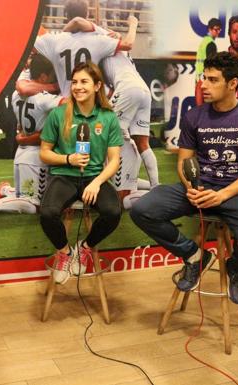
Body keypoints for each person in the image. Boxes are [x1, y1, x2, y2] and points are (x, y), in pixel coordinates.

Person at [130, 52, 238, 305]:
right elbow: (184, 162)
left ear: (233, 84)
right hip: (199, 187)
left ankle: (236, 267)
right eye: (203, 78)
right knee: (142, 208)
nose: (203, 85)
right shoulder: (194, 116)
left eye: (212, 80)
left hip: (236, 193)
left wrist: (222, 194)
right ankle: (195, 256)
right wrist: (192, 188)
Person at [39, 61, 123, 284]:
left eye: (84, 81)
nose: (77, 87)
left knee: (113, 212)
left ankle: (84, 248)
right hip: (64, 176)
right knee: (47, 213)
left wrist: (97, 182)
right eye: (74, 82)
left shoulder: (108, 117)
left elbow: (114, 160)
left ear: (97, 86)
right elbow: (45, 154)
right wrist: (69, 159)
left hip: (94, 177)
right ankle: (65, 253)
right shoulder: (59, 114)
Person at [62, 15, 157, 208]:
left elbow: (79, 21)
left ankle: (100, 183)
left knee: (106, 133)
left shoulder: (100, 36)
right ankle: (155, 187)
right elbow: (109, 89)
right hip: (142, 89)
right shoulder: (105, 49)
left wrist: (61, 36)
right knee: (142, 142)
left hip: (128, 87)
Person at [0, 55, 63, 216]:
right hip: (35, 158)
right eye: (51, 76)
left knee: (28, 195)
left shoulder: (15, 95)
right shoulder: (45, 99)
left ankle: (5, 190)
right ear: (42, 76)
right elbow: (69, 103)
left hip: (22, 153)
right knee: (33, 203)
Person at [30, 0, 135, 98]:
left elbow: (28, 45)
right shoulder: (98, 40)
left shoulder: (53, 40)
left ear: (66, 16)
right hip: (89, 104)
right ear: (87, 15)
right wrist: (133, 24)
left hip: (66, 103)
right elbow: (128, 44)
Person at [195, 18, 222, 105]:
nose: (217, 32)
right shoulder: (211, 44)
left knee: (200, 108)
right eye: (215, 29)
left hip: (199, 76)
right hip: (205, 77)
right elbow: (212, 63)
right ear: (209, 29)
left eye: (219, 29)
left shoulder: (204, 41)